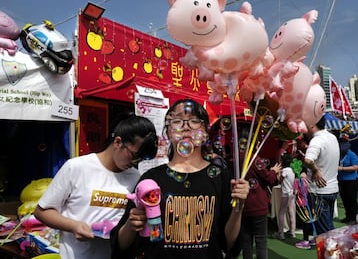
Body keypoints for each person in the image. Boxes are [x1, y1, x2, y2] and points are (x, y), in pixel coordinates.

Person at [110, 99, 250, 259]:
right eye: (177, 121)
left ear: (204, 132)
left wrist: (239, 207)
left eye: (194, 121)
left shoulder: (221, 177)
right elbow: (121, 246)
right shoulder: (152, 178)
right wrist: (131, 224)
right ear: (169, 132)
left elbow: (229, 244)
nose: (186, 126)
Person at [34, 114, 158, 259]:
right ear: (118, 142)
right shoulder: (76, 167)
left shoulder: (136, 178)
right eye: (133, 155)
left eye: (141, 158)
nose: (136, 162)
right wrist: (73, 226)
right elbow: (42, 211)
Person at [295, 115, 339, 250]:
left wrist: (315, 171)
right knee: (327, 229)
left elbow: (308, 160)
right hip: (332, 188)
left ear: (312, 125)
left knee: (326, 233)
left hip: (320, 191)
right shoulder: (332, 137)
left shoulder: (317, 140)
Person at [241, 159, 280, 259]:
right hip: (258, 205)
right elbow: (268, 179)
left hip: (243, 204)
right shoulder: (254, 159)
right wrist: (273, 171)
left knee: (246, 240)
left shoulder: (237, 158)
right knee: (261, 240)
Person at [337, 137, 358, 224]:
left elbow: (355, 167)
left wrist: (342, 168)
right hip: (342, 180)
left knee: (352, 199)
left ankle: (354, 218)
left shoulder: (352, 155)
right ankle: (348, 216)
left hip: (351, 180)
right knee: (344, 199)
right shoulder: (339, 155)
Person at [275, 153, 296, 240]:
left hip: (285, 194)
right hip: (291, 193)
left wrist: (277, 173)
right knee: (291, 212)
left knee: (281, 213)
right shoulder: (291, 170)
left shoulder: (285, 171)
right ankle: (292, 231)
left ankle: (281, 233)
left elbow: (279, 180)